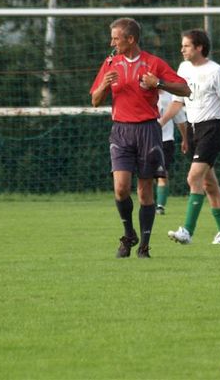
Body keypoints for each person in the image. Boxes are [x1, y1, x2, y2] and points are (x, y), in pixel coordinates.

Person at [90, 17, 190, 259]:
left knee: (145, 192)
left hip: (148, 131)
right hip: (121, 131)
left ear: (130, 39)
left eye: (116, 38)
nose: (112, 42)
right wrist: (104, 85)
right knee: (121, 189)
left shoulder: (153, 63)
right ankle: (129, 234)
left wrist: (159, 83)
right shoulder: (111, 62)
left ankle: (144, 246)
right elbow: (94, 100)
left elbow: (186, 89)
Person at [161, 29, 220, 245]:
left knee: (193, 178)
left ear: (199, 47)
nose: (182, 49)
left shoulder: (217, 72)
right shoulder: (183, 68)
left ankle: (187, 231)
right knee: (209, 184)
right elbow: (178, 102)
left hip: (211, 129)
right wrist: (163, 125)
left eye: (186, 45)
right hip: (193, 129)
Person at [155, 89, 188, 215]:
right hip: (145, 139)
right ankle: (149, 203)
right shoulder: (141, 93)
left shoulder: (171, 98)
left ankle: (160, 206)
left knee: (162, 174)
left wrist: (185, 139)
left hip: (165, 141)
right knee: (146, 176)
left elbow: (180, 119)